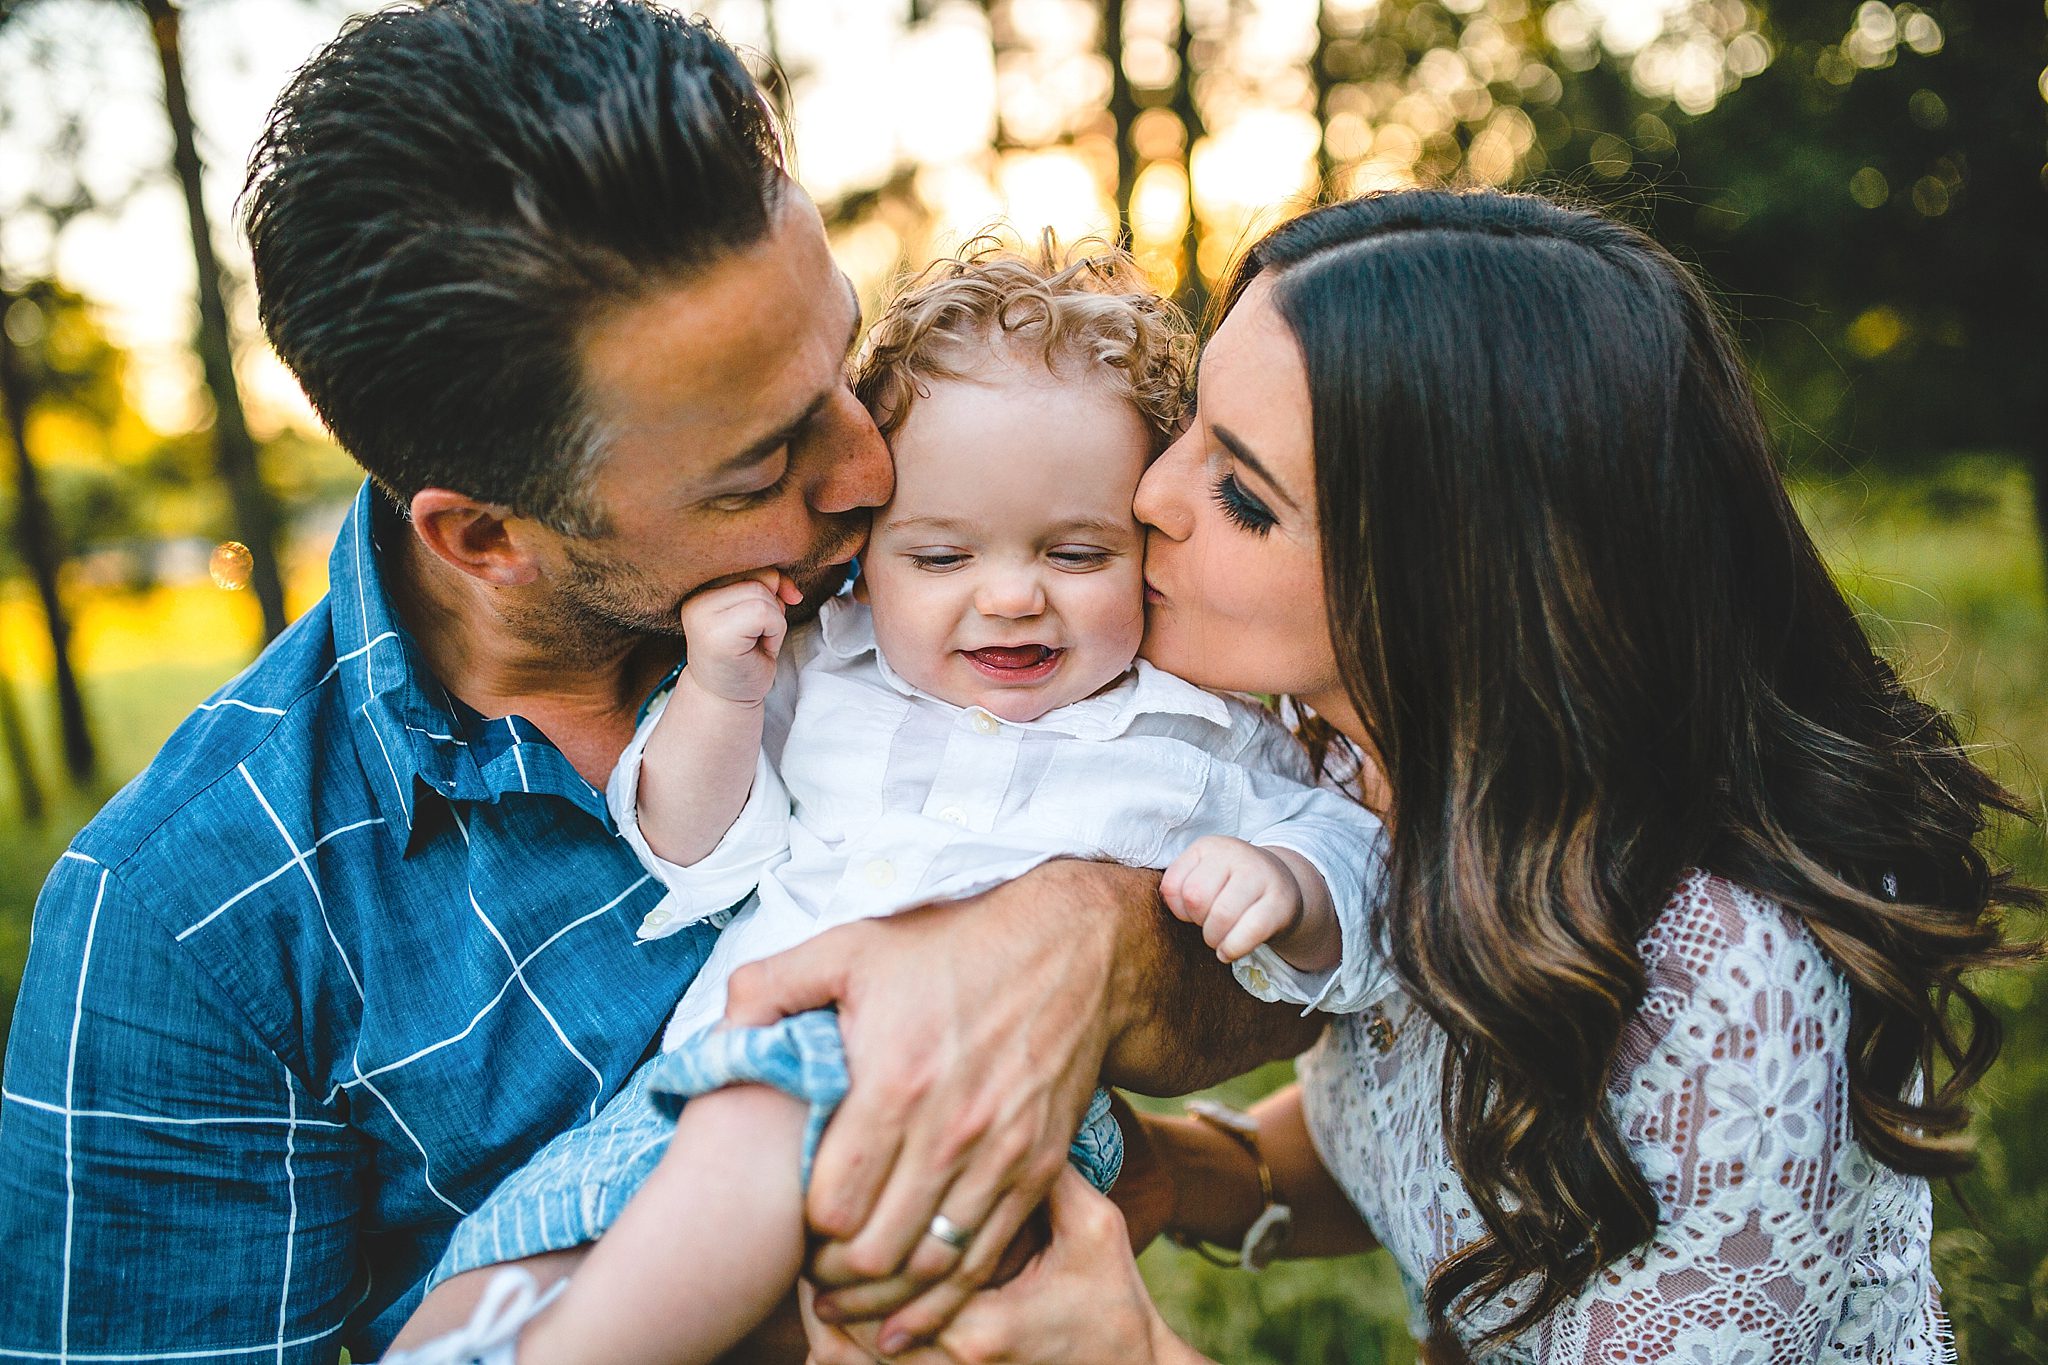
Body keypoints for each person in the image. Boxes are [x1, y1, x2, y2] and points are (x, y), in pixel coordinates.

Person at [0, 6, 1317, 1360]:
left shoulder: (963, 562)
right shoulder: (187, 923)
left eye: (843, 360)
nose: (869, 473)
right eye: (765, 464)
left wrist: (1084, 939)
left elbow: (1320, 971)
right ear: (487, 536)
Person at [800, 190, 2036, 1365]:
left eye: (1238, 492)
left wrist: (1127, 1348)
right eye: (1184, 432)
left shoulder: (1729, 982)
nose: (1147, 498)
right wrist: (1187, 1174)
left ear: (1449, 577)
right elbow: (1457, 1125)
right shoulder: (1363, 761)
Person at [385, 248, 1389, 1365]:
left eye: (1074, 551)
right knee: (496, 1259)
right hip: (697, 1088)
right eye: (944, 554)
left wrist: (1288, 886)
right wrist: (722, 694)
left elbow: (1356, 858)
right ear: (867, 561)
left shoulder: (1191, 731)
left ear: (1144, 540)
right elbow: (695, 850)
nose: (1009, 596)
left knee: (732, 1176)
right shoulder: (826, 673)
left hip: (980, 1119)